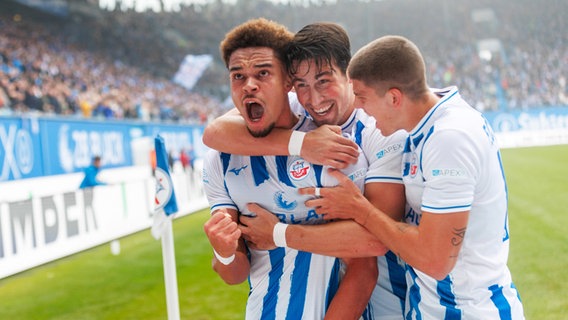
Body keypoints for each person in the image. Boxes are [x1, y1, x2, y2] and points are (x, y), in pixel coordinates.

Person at [301, 35, 525, 319]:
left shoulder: (449, 138)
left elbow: (435, 260)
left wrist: (359, 208)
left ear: (394, 98)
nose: (357, 107)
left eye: (362, 97)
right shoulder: (430, 124)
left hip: (467, 311)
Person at [203, 22, 408, 319]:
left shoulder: (342, 147)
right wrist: (223, 251)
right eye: (238, 76)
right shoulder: (220, 159)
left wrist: (279, 233)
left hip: (393, 302)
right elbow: (213, 132)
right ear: (293, 86)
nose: (313, 97)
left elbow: (371, 248)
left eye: (262, 73)